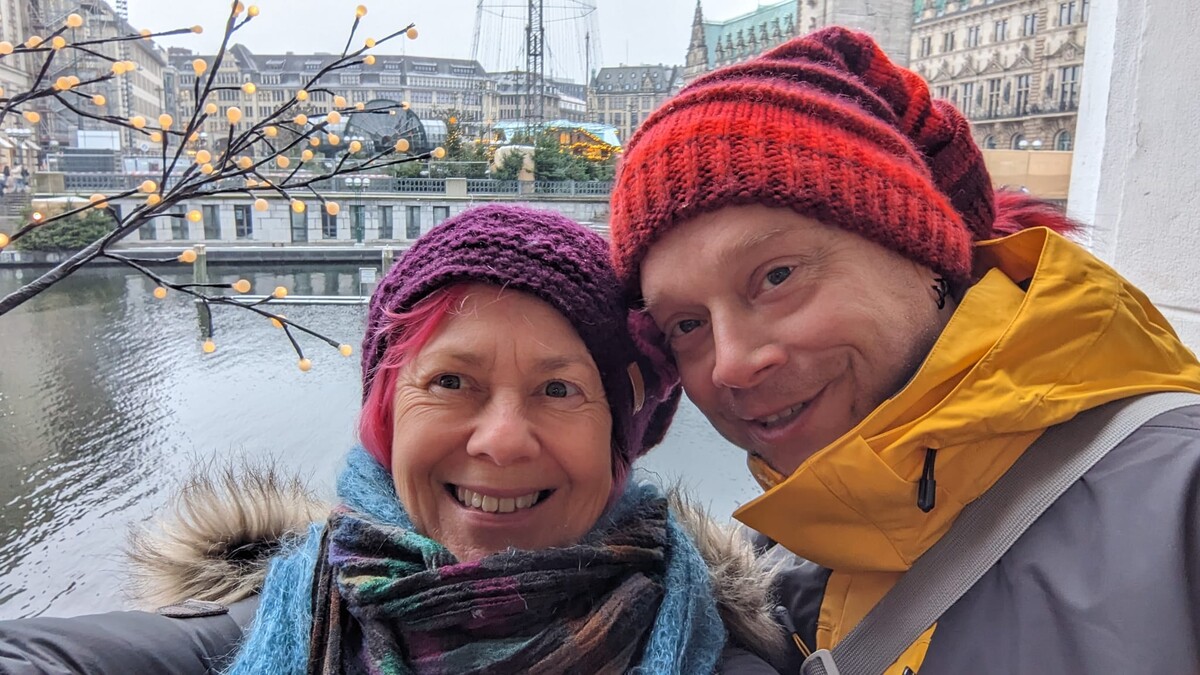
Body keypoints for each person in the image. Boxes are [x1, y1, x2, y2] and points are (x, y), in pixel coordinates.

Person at [608, 26, 1200, 675]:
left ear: (924, 254)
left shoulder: (1181, 500)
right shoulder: (783, 553)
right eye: (686, 324)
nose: (732, 363)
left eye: (777, 276)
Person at [0, 205, 786, 674]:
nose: (501, 441)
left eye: (558, 389)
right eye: (451, 381)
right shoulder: (258, 624)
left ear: (622, 436)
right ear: (385, 415)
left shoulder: (732, 657)